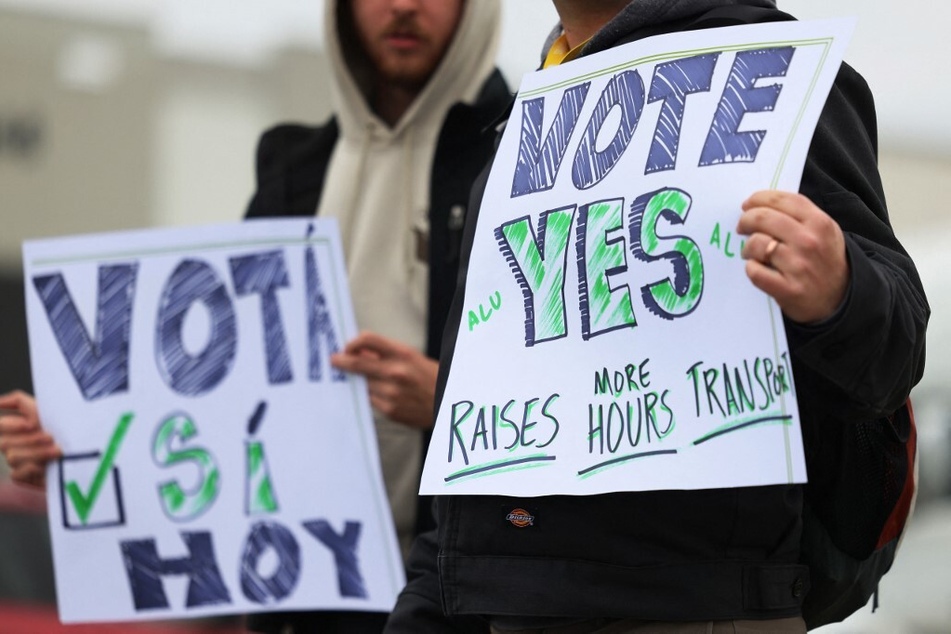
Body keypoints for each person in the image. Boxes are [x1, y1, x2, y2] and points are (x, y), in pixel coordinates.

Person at [384, 1, 929, 633]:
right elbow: (471, 452)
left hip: (703, 604)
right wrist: (426, 607)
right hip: (514, 606)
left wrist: (840, 291)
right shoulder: (523, 131)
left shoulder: (767, 73)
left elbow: (896, 353)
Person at [1, 0, 510, 632]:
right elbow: (217, 409)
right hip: (302, 599)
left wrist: (452, 403)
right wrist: (74, 444)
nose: (403, 6)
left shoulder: (528, 160)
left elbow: (575, 395)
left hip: (462, 600)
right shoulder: (293, 173)